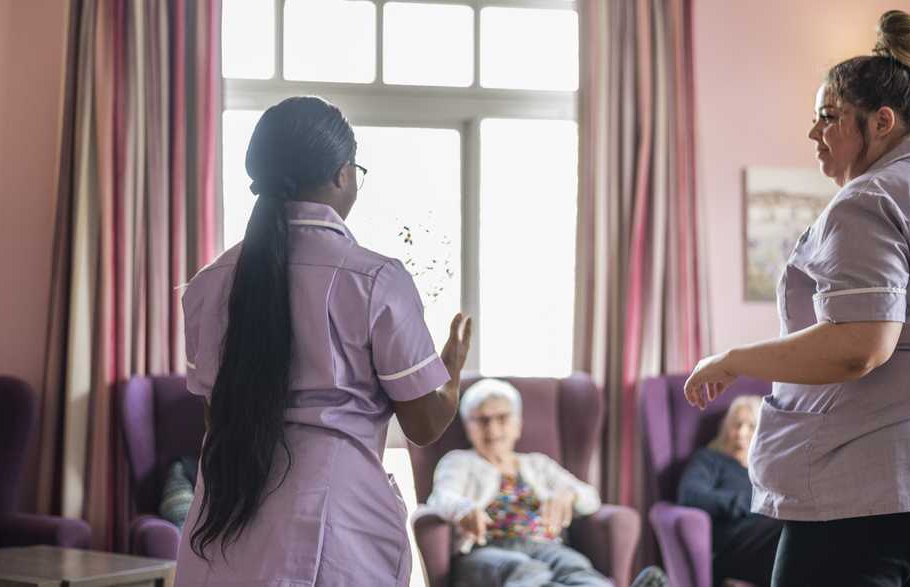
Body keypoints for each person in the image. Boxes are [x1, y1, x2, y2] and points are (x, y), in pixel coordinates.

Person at [683, 10, 910, 586]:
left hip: (877, 480)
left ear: (882, 121)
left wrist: (731, 361)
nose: (814, 133)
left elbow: (857, 346)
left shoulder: (870, 199)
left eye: (829, 117)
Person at [175, 96, 472, 586]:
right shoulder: (375, 279)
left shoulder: (210, 282)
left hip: (227, 513)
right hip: (335, 519)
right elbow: (423, 423)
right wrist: (452, 366)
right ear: (342, 174)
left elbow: (216, 412)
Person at [425, 378, 668, 587]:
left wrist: (568, 495)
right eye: (481, 420)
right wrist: (463, 509)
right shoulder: (459, 462)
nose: (492, 428)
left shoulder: (538, 464)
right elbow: (441, 498)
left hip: (546, 546)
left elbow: (590, 498)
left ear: (517, 425)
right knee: (526, 571)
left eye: (502, 417)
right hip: (484, 551)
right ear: (468, 427)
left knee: (578, 569)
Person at [677, 396, 781, 587]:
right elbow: (690, 495)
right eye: (737, 424)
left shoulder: (769, 468)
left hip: (766, 539)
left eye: (751, 426)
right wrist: (745, 503)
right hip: (731, 542)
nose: (741, 433)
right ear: (726, 428)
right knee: (789, 529)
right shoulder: (709, 459)